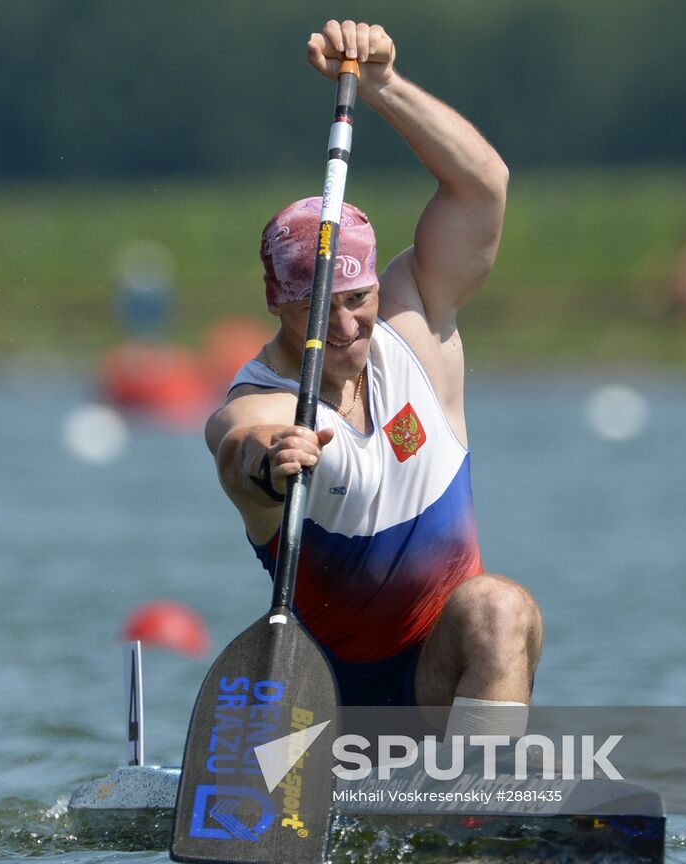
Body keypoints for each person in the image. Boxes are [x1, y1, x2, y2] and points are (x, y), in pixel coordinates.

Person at [204, 20, 541, 738]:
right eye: (318, 311)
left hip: (441, 680)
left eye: (358, 301)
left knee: (499, 608)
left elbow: (484, 187)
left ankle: (483, 811)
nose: (348, 327)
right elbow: (238, 449)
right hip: (327, 703)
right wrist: (270, 460)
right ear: (277, 305)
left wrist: (384, 85)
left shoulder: (416, 326)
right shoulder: (261, 401)